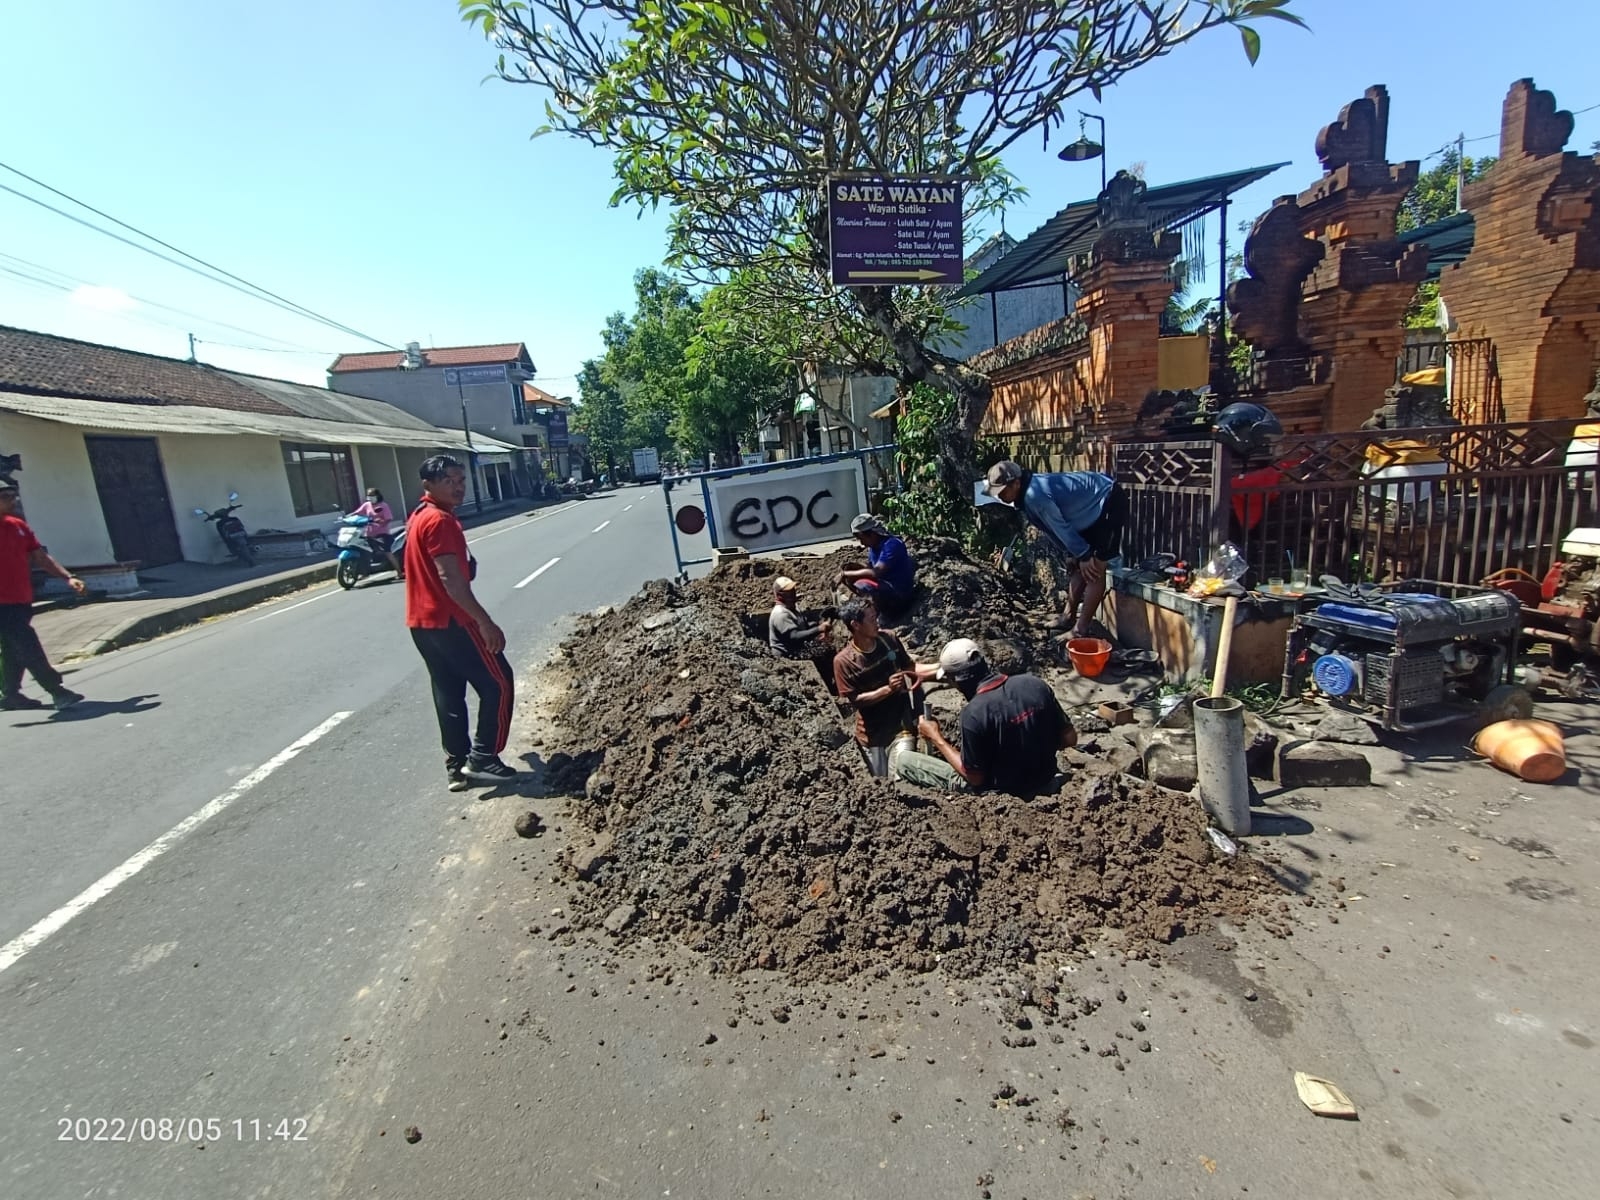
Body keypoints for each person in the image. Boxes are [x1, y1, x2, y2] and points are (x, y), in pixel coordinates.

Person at [404, 455, 518, 792]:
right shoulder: (440, 521)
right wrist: (485, 622)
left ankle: (456, 766)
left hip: (422, 623)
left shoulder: (419, 515)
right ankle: (483, 756)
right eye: (449, 481)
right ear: (428, 484)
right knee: (499, 682)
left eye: (461, 480)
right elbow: (451, 580)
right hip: (452, 620)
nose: (458, 487)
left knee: (448, 691)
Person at [894, 638, 1076, 795]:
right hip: (1046, 779)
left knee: (905, 761)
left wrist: (936, 737)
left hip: (1005, 795)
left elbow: (974, 778)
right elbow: (1070, 739)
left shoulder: (974, 714)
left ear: (955, 681)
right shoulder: (1034, 684)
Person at [984, 461, 1127, 638]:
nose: (1000, 496)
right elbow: (1051, 528)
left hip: (1108, 500)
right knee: (1078, 568)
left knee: (1094, 570)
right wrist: (1071, 553)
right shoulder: (1027, 496)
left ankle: (1079, 630)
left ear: (1016, 483)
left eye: (1002, 491)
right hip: (1088, 512)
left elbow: (1060, 526)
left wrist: (1083, 554)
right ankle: (1068, 617)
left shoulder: (1035, 496)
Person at [0, 481, 86, 711]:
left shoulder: (18, 525)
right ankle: (57, 690)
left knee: (13, 645)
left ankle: (10, 694)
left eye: (13, 495)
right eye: (6, 497)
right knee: (27, 644)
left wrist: (68, 577)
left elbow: (40, 557)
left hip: (21, 598)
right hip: (1, 604)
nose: (12, 501)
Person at [832, 597, 921, 777]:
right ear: (856, 625)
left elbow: (910, 668)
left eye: (876, 616)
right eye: (872, 619)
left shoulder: (889, 640)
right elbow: (854, 701)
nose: (877, 622)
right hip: (870, 735)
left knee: (902, 777)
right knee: (880, 784)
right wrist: (888, 689)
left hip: (900, 726)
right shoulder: (844, 662)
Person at [836, 513, 917, 620]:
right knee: (850, 569)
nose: (862, 543)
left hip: (899, 594)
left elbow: (876, 572)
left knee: (862, 584)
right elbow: (870, 567)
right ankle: (869, 606)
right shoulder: (874, 547)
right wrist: (849, 571)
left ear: (872, 534)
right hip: (885, 585)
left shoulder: (892, 545)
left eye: (862, 539)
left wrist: (844, 574)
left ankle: (877, 616)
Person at [768, 576, 834, 661]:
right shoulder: (780, 614)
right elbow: (794, 637)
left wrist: (818, 624)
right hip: (785, 657)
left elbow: (802, 626)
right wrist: (819, 629)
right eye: (789, 592)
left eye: (793, 590)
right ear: (780, 595)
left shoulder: (793, 607)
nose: (793, 593)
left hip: (796, 650)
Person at [352, 486, 403, 577]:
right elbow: (357, 512)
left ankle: (399, 572)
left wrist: (381, 522)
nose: (370, 497)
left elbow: (388, 518)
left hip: (382, 533)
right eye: (368, 495)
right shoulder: (367, 505)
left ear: (377, 495)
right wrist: (347, 517)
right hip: (369, 533)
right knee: (364, 551)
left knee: (388, 553)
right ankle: (364, 572)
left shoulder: (383, 505)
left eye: (372, 495)